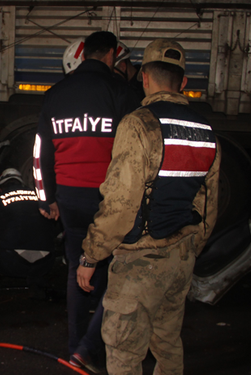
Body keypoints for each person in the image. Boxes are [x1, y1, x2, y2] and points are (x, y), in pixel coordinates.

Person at [77, 39, 221, 374]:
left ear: (143, 78)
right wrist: (192, 246)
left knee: (124, 350)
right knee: (168, 345)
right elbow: (207, 202)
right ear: (183, 82)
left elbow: (121, 202)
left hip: (141, 263)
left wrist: (91, 255)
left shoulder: (139, 124)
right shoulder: (206, 130)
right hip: (180, 257)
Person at [33, 31, 142, 360]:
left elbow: (41, 153)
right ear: (110, 55)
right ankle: (88, 349)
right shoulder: (119, 92)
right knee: (113, 272)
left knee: (76, 268)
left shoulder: (55, 93)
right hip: (106, 201)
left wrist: (46, 197)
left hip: (68, 198)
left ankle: (74, 347)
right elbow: (131, 152)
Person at [0, 168, 59, 297]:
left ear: (0, 188)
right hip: (45, 264)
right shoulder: (41, 198)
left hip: (10, 264)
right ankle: (36, 281)